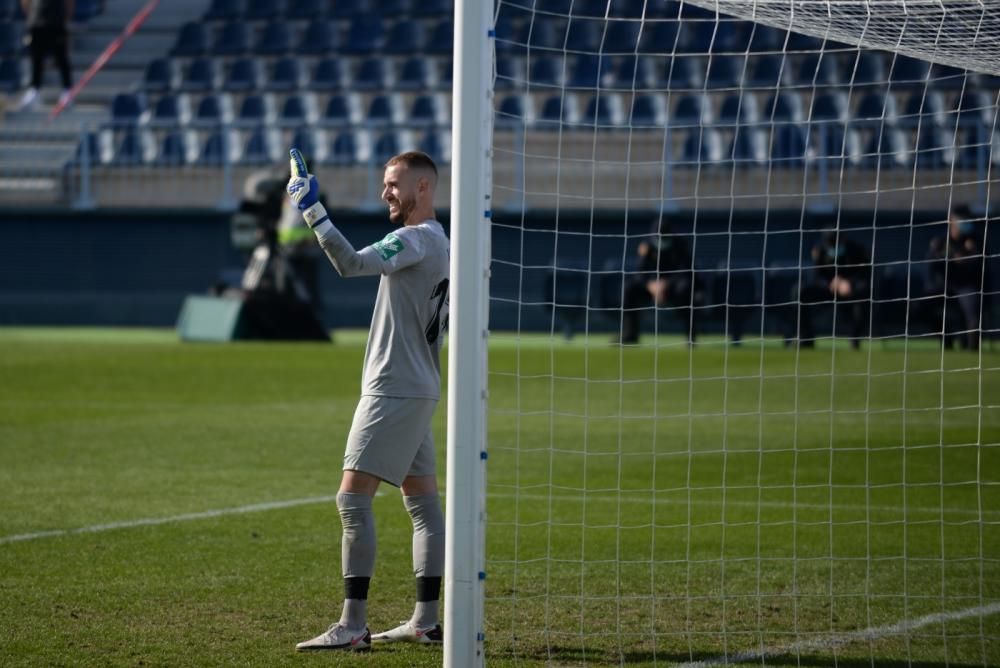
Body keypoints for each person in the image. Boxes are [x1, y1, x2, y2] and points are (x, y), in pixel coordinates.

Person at [286, 149, 449, 652]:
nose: (385, 193)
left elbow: (351, 263)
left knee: (352, 500)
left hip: (394, 387)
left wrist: (313, 211)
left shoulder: (416, 238)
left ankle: (353, 624)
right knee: (422, 503)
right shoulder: (441, 241)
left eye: (394, 184)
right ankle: (426, 620)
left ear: (423, 188)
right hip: (418, 385)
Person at [616, 218, 697, 345]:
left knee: (686, 289)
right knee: (629, 288)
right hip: (651, 287)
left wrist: (666, 284)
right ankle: (630, 335)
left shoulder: (681, 244)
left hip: (674, 287)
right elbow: (640, 272)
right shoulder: (647, 246)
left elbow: (686, 270)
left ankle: (691, 336)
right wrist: (650, 285)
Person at [794, 231, 871, 349]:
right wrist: (831, 283)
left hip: (850, 290)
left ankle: (855, 338)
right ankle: (805, 338)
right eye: (831, 244)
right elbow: (816, 275)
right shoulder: (820, 250)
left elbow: (865, 273)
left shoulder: (856, 250)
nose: (834, 247)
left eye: (836, 243)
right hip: (827, 290)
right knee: (801, 292)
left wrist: (849, 283)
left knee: (864, 294)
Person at [925, 204, 985, 350]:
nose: (965, 222)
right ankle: (946, 337)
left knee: (972, 308)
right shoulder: (941, 241)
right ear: (951, 220)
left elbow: (982, 266)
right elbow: (931, 264)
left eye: (967, 219)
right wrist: (950, 257)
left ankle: (972, 346)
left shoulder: (975, 241)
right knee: (922, 305)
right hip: (944, 285)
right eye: (961, 219)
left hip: (966, 286)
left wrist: (970, 256)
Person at [17, 0, 75, 111]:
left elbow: (69, 2)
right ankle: (34, 91)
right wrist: (31, 17)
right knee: (36, 60)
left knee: (62, 59)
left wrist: (66, 18)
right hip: (36, 22)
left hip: (56, 22)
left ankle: (67, 92)